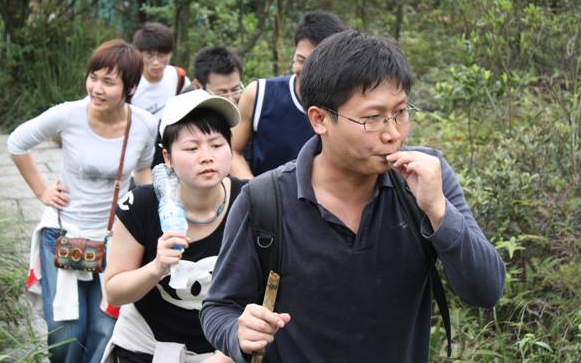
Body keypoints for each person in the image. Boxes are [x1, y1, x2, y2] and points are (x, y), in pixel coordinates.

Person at [200, 31, 506, 362]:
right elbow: (219, 307)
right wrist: (238, 333)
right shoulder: (264, 201)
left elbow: (486, 290)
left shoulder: (426, 178)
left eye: (401, 112)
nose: (392, 133)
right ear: (319, 119)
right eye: (372, 119)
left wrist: (438, 211)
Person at [8, 40, 158, 363]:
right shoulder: (68, 115)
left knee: (105, 328)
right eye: (93, 77)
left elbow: (144, 171)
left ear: (131, 87)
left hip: (116, 238)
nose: (97, 88)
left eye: (109, 81)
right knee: (66, 330)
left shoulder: (144, 124)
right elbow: (17, 142)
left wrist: (150, 223)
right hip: (63, 233)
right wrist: (42, 191)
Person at [102, 90, 246, 363]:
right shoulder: (141, 205)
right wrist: (157, 267)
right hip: (146, 347)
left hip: (228, 349)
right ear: (167, 157)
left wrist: (230, 353)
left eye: (217, 145)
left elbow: (274, 289)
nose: (206, 156)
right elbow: (114, 292)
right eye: (192, 148)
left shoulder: (252, 202)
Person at [230, 11, 346, 179]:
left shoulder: (347, 104)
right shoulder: (259, 95)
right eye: (301, 60)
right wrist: (254, 189)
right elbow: (232, 151)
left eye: (317, 64)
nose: (307, 71)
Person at [131, 22, 192, 118]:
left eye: (162, 55)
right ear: (138, 54)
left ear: (170, 54)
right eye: (149, 56)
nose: (156, 62)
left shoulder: (179, 78)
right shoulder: (130, 84)